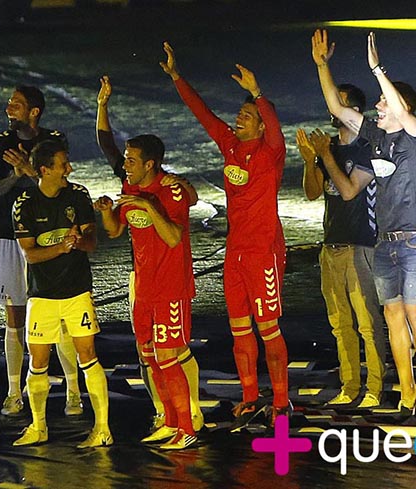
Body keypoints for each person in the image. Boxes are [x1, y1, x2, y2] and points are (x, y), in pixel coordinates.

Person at [310, 29, 416, 421]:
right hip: (385, 241)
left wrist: (377, 68)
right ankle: (406, 391)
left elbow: (400, 111)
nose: (378, 106)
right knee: (392, 316)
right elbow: (337, 106)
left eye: (384, 101)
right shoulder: (375, 138)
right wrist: (322, 66)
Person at [161, 42, 290, 428]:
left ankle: (282, 402)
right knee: (239, 330)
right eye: (241, 114)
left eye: (247, 115)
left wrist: (258, 95)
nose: (239, 118)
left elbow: (276, 126)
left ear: (262, 124)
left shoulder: (272, 153)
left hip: (263, 252)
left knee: (268, 329)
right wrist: (177, 77)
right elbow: (203, 114)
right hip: (234, 254)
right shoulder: (230, 147)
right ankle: (250, 396)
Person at [95, 75, 203, 433]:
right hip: (144, 287)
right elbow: (114, 230)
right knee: (150, 357)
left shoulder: (170, 192)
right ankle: (169, 422)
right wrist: (108, 210)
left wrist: (146, 203)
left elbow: (173, 237)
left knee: (170, 357)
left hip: (171, 286)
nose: (125, 164)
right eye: (126, 159)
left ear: (151, 164)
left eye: (132, 160)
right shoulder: (131, 187)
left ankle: (187, 427)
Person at [0, 86, 81, 417]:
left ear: (34, 112)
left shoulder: (54, 141)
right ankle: (14, 392)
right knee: (14, 317)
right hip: (12, 238)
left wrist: (30, 169)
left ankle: (73, 392)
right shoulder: (2, 143)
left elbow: (62, 183)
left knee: (62, 316)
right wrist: (18, 173)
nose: (9, 108)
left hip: (50, 237)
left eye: (16, 104)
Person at [12, 139, 111, 449]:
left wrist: (80, 242)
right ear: (45, 170)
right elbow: (30, 255)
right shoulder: (24, 203)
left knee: (88, 355)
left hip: (76, 290)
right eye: (63, 164)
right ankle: (38, 426)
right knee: (38, 360)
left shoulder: (78, 196)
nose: (69, 168)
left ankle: (103, 428)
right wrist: (63, 246)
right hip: (42, 295)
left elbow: (92, 243)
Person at [296, 83, 386, 409]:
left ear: (355, 113)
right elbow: (312, 192)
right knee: (339, 325)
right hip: (330, 245)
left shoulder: (366, 148)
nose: (333, 112)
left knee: (367, 323)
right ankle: (349, 387)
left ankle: (374, 387)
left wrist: (324, 156)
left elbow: (348, 191)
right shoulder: (329, 146)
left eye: (341, 105)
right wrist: (311, 160)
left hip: (360, 245)